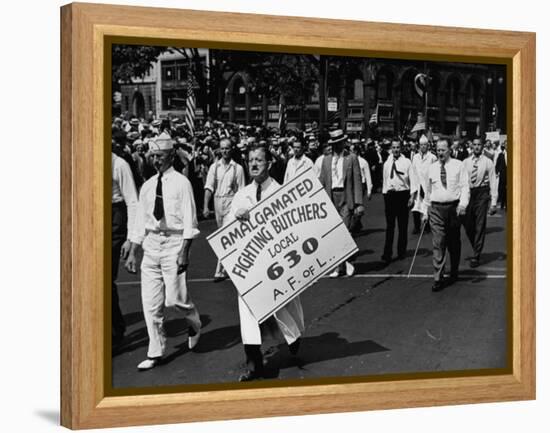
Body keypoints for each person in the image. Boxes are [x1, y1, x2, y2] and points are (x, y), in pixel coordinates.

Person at [125, 132, 202, 371]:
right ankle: (155, 351)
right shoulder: (148, 187)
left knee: (175, 299)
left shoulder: (182, 183)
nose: (156, 160)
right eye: (153, 156)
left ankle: (194, 322)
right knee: (150, 304)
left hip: (174, 245)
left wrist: (184, 251)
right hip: (151, 247)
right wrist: (133, 250)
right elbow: (141, 221)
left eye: (160, 156)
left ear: (170, 155)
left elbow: (190, 221)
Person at [229, 145, 304, 381]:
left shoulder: (280, 192)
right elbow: (227, 234)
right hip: (250, 264)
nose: (253, 164)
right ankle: (254, 362)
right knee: (248, 310)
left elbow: (294, 227)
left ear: (268, 164)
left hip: (276, 260)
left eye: (259, 160)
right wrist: (236, 218)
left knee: (281, 304)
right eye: (250, 160)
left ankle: (294, 336)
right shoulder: (241, 196)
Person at [422, 139, 470, 292]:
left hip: (454, 209)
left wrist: (462, 205)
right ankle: (438, 277)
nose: (440, 152)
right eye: (438, 150)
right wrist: (425, 211)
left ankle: (454, 270)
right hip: (436, 209)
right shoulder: (431, 168)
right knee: (438, 242)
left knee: (453, 242)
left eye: (443, 150)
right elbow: (427, 192)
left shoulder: (458, 165)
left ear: (450, 150)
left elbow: (464, 187)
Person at [316, 129, 364, 277]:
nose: (337, 146)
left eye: (339, 143)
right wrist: (319, 201)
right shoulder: (326, 160)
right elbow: (322, 181)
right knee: (335, 234)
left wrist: (359, 203)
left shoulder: (351, 158)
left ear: (343, 142)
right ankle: (339, 266)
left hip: (346, 195)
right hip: (331, 197)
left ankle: (347, 261)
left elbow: (357, 181)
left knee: (345, 231)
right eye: (334, 143)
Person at [203, 138, 246, 282]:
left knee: (224, 236)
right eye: (222, 148)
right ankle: (229, 267)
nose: (225, 151)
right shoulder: (214, 167)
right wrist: (205, 206)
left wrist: (241, 208)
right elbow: (209, 187)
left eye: (227, 148)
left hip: (231, 201)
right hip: (218, 201)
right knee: (223, 235)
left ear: (231, 149)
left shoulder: (237, 168)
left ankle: (219, 270)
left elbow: (241, 190)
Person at [111, 148, 138, 346]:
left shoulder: (119, 165)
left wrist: (130, 239)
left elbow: (132, 202)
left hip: (115, 218)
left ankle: (114, 333)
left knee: (104, 278)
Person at [462, 138, 498, 268]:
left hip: (482, 193)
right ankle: (476, 245)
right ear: (471, 147)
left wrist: (493, 203)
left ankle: (476, 255)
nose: (476, 147)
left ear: (482, 146)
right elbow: (461, 180)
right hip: (468, 193)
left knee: (480, 224)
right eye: (474, 145)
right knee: (468, 224)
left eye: (479, 145)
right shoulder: (465, 162)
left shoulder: (488, 162)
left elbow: (493, 182)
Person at [381, 139, 417, 263]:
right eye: (394, 147)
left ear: (401, 148)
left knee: (403, 226)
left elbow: (413, 179)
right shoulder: (387, 162)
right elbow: (385, 179)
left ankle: (401, 252)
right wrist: (385, 194)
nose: (395, 150)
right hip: (390, 196)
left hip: (403, 195)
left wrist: (412, 197)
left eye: (398, 147)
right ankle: (387, 253)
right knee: (390, 226)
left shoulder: (407, 162)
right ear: (391, 148)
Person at [411, 134, 437, 234]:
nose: (423, 147)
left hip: (428, 185)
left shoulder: (432, 157)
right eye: (421, 145)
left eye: (425, 145)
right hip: (418, 185)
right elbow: (413, 172)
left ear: (428, 146)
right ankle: (417, 226)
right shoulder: (415, 157)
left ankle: (427, 226)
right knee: (416, 207)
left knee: (427, 206)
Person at [495, 140, 507, 209]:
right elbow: (497, 164)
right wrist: (497, 172)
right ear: (504, 146)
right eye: (506, 144)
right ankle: (502, 203)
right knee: (502, 188)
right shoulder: (501, 154)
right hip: (503, 174)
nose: (507, 146)